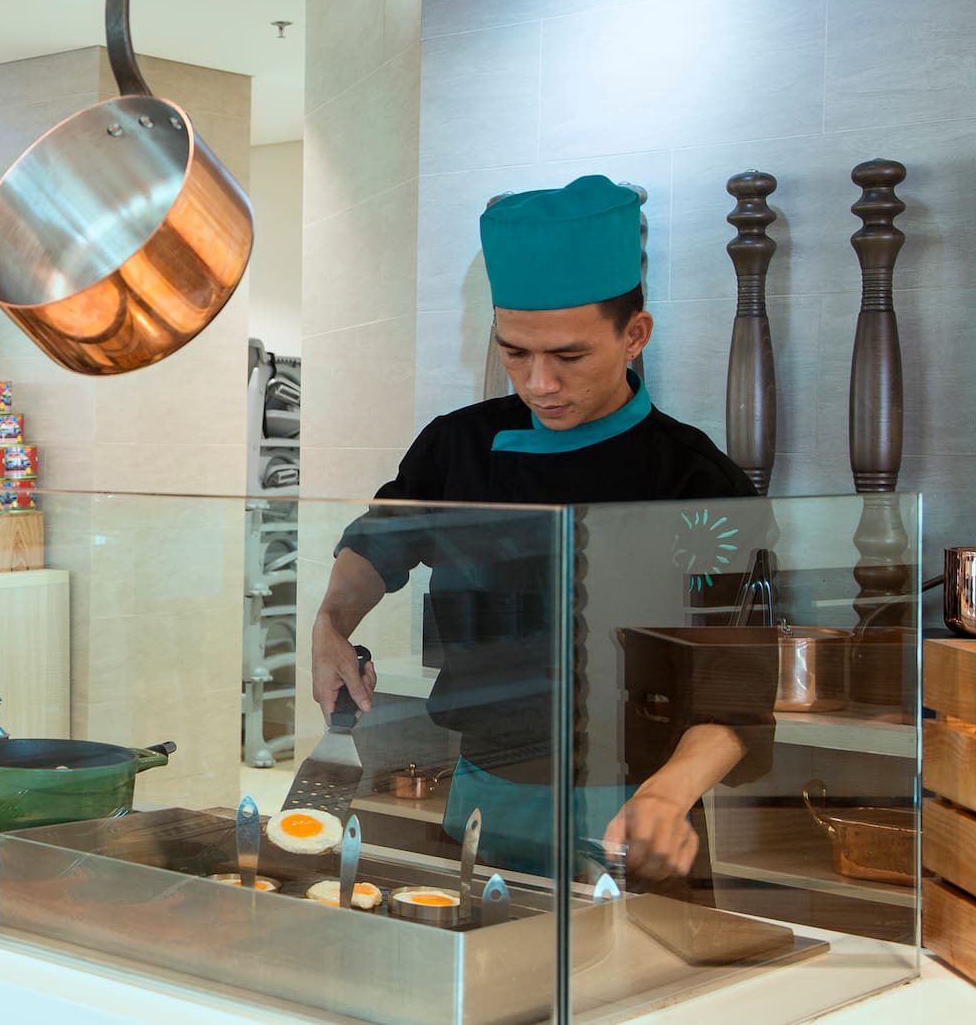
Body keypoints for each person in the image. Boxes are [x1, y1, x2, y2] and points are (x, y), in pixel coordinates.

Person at [309, 175, 769, 881]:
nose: (538, 382)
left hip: (638, 803)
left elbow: (738, 683)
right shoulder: (458, 447)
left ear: (634, 335)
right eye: (516, 352)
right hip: (486, 791)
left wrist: (670, 791)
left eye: (568, 355)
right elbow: (378, 544)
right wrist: (332, 622)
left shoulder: (698, 481)